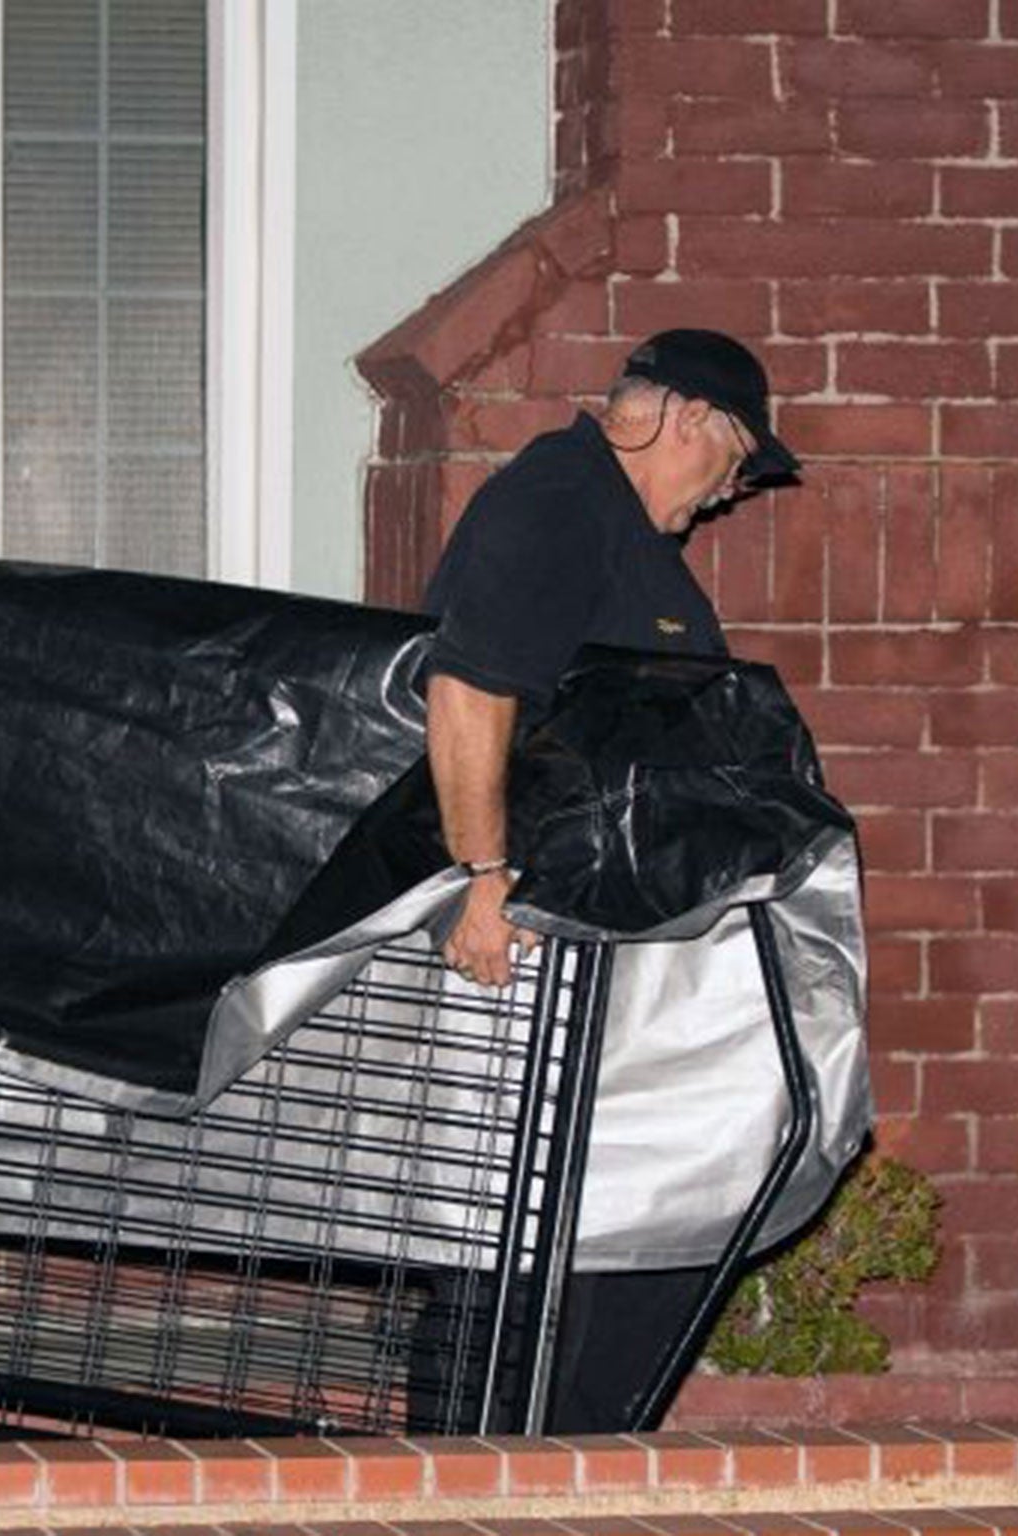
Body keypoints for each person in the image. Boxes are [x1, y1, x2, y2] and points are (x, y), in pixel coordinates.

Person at [420, 327, 801, 1430]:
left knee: (607, 1233)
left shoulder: (616, 532)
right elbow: (467, 692)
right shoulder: (556, 505)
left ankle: (560, 1461)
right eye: (734, 459)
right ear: (682, 417)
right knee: (519, 1250)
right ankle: (483, 1476)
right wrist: (482, 881)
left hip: (597, 956)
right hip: (529, 944)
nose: (732, 491)